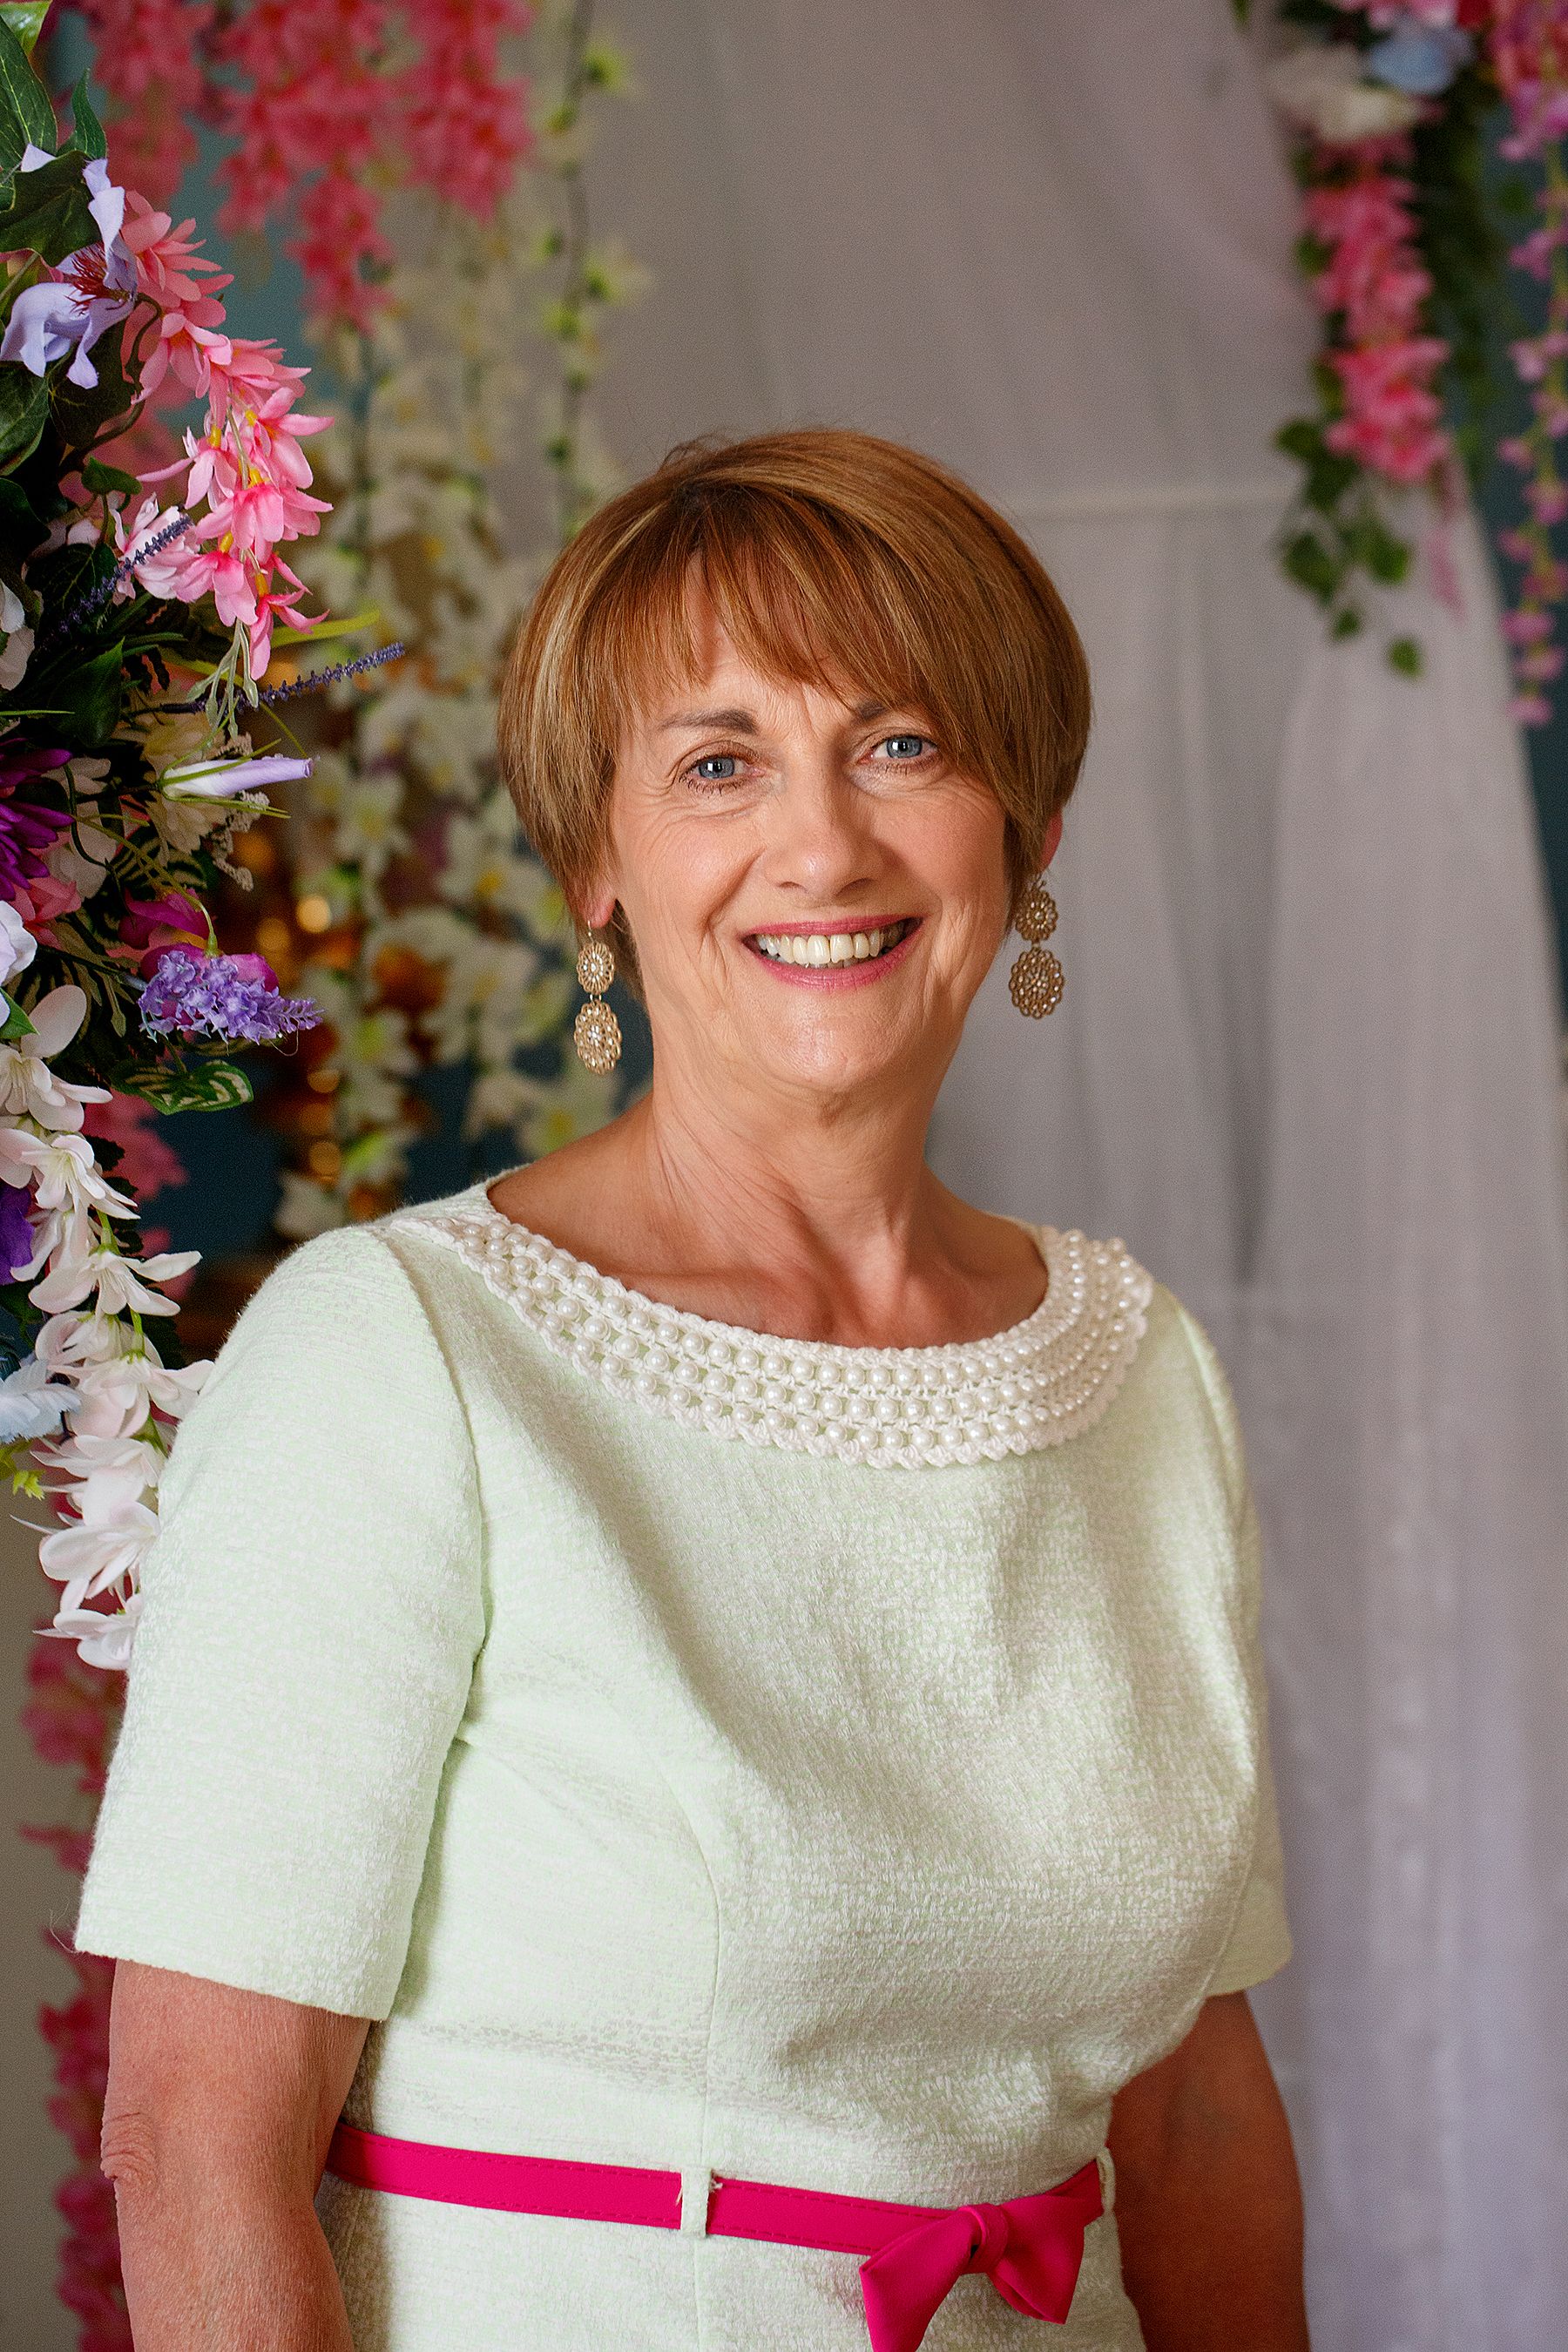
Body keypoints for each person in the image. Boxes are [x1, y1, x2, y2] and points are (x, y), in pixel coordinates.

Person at [78, 429, 1308, 2351]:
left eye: (903, 743)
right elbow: (190, 2145)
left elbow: (1202, 2103)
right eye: (718, 763)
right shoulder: (397, 1356)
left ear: (1027, 824)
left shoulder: (1141, 1377)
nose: (822, 846)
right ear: (599, 859)